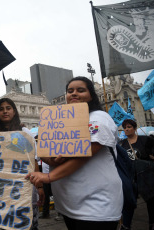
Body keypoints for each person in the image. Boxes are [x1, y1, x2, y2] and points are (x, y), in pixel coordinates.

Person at [26, 76, 123, 230]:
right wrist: (52, 158)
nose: (74, 93)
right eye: (70, 91)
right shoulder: (59, 123)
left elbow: (85, 153)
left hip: (96, 205)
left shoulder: (99, 117)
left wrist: (48, 176)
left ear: (91, 94)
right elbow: (45, 152)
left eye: (81, 90)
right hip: (69, 205)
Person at [0, 97, 43, 230]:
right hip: (2, 188)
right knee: (6, 225)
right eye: (1, 109)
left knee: (29, 224)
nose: (5, 111)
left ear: (14, 111)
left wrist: (40, 187)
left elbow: (33, 160)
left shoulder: (24, 132)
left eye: (8, 108)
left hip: (24, 186)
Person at [119, 119, 154, 230]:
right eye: (125, 127)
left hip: (145, 177)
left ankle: (152, 224)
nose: (126, 129)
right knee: (129, 202)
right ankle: (126, 225)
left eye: (129, 127)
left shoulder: (145, 140)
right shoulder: (122, 144)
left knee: (151, 201)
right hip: (131, 178)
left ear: (134, 128)